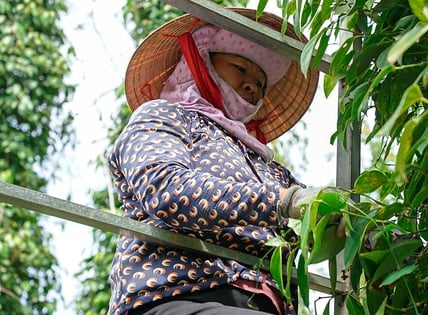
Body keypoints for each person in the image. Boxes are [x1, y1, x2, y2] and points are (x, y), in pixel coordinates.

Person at [106, 7, 344, 315]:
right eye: (240, 68)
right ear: (202, 59)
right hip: (176, 295)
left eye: (260, 83)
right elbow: (168, 192)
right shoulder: (163, 116)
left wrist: (355, 226)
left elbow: (313, 218)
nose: (252, 86)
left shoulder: (268, 167)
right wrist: (284, 202)